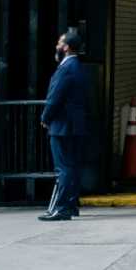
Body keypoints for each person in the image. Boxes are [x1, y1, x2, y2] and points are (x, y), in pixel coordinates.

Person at [39, 30, 89, 221]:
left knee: (64, 167)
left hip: (63, 126)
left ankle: (62, 208)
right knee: (73, 166)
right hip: (76, 126)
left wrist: (46, 117)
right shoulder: (79, 67)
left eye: (60, 43)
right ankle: (71, 204)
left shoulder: (66, 68)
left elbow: (55, 97)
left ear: (66, 47)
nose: (57, 46)